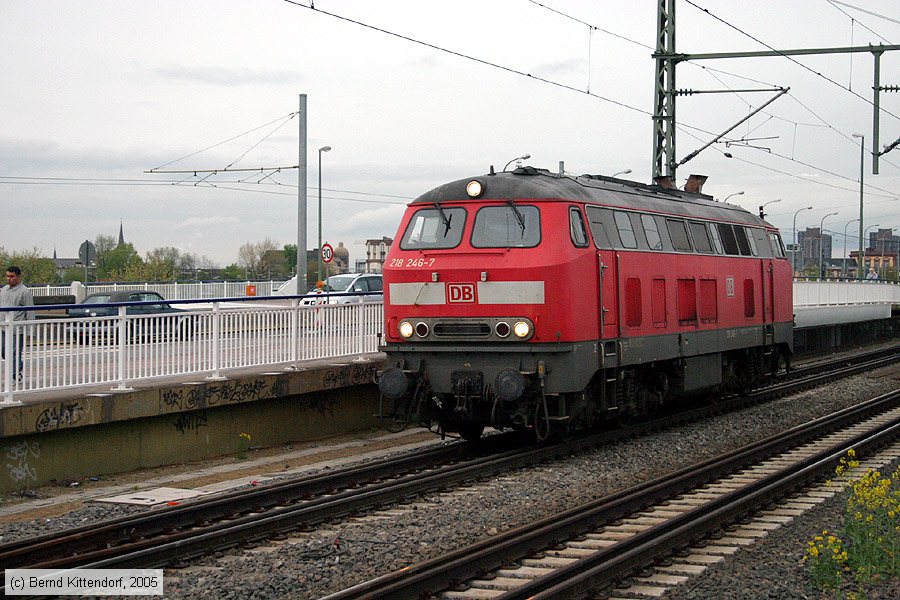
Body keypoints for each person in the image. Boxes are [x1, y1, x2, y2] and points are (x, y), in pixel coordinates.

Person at [0, 266, 34, 380]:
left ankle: (14, 375)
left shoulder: (25, 292)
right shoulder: (4, 290)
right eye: (8, 276)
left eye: (12, 276)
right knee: (3, 351)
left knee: (14, 352)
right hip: (4, 327)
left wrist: (30, 331)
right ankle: (18, 366)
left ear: (18, 277)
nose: (9, 279)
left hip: (17, 329)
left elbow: (30, 312)